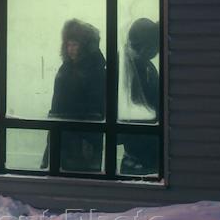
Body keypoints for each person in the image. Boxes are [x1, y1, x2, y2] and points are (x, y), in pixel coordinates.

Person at [43, 19, 107, 173]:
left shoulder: (95, 71)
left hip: (82, 140)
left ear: (85, 46)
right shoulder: (67, 67)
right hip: (62, 135)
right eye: (68, 44)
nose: (70, 49)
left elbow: (97, 108)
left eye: (75, 45)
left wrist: (88, 140)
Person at [120, 17, 160, 175]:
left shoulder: (145, 67)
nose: (154, 52)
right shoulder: (128, 68)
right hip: (140, 153)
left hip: (140, 152)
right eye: (152, 47)